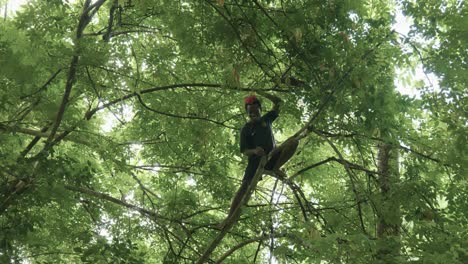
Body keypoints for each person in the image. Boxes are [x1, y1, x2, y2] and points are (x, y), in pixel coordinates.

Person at [223, 93, 299, 222]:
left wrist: (261, 93)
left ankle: (275, 168)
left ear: (260, 110)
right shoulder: (246, 129)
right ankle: (229, 218)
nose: (253, 114)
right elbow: (244, 150)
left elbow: (278, 103)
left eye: (255, 111)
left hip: (273, 157)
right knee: (244, 188)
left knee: (293, 141)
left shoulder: (267, 119)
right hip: (255, 163)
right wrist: (254, 151)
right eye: (250, 112)